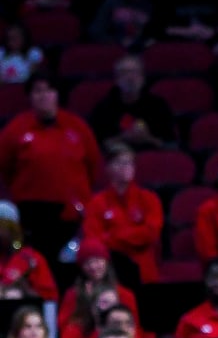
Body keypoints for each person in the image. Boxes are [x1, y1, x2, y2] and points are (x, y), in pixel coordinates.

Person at [0, 75, 100, 257]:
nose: (43, 95)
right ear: (30, 96)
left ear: (57, 95)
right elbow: (5, 168)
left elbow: (93, 166)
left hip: (71, 215)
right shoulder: (15, 129)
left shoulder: (77, 127)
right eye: (38, 91)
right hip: (30, 216)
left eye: (49, 90)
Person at [81, 142, 164, 285]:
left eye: (130, 163)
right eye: (120, 162)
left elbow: (151, 233)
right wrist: (133, 237)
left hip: (145, 273)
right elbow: (94, 240)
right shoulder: (97, 203)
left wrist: (113, 236)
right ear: (108, 168)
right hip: (112, 274)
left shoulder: (149, 199)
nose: (127, 167)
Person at [90, 53, 176, 152]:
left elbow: (171, 145)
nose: (130, 78)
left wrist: (147, 138)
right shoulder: (104, 108)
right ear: (116, 79)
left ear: (143, 77)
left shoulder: (158, 106)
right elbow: (96, 146)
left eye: (135, 72)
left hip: (152, 158)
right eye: (124, 73)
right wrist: (124, 137)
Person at [0, 201, 56, 302]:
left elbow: (50, 299)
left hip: (22, 311)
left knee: (13, 295)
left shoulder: (31, 258)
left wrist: (25, 289)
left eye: (2, 226)